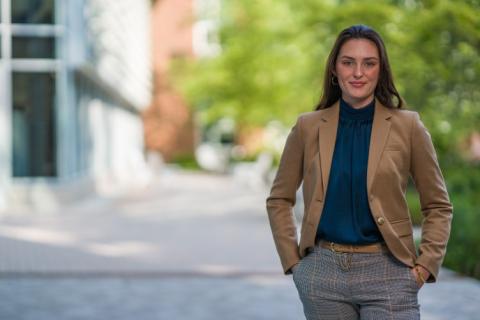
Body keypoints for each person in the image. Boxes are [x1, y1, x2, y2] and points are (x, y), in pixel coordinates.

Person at [265, 24, 453, 320]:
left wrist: (425, 265)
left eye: (369, 63)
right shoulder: (307, 127)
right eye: (348, 62)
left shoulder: (408, 126)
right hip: (323, 273)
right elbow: (279, 199)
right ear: (334, 70)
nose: (358, 72)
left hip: (389, 270)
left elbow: (438, 205)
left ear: (381, 71)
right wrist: (295, 264)